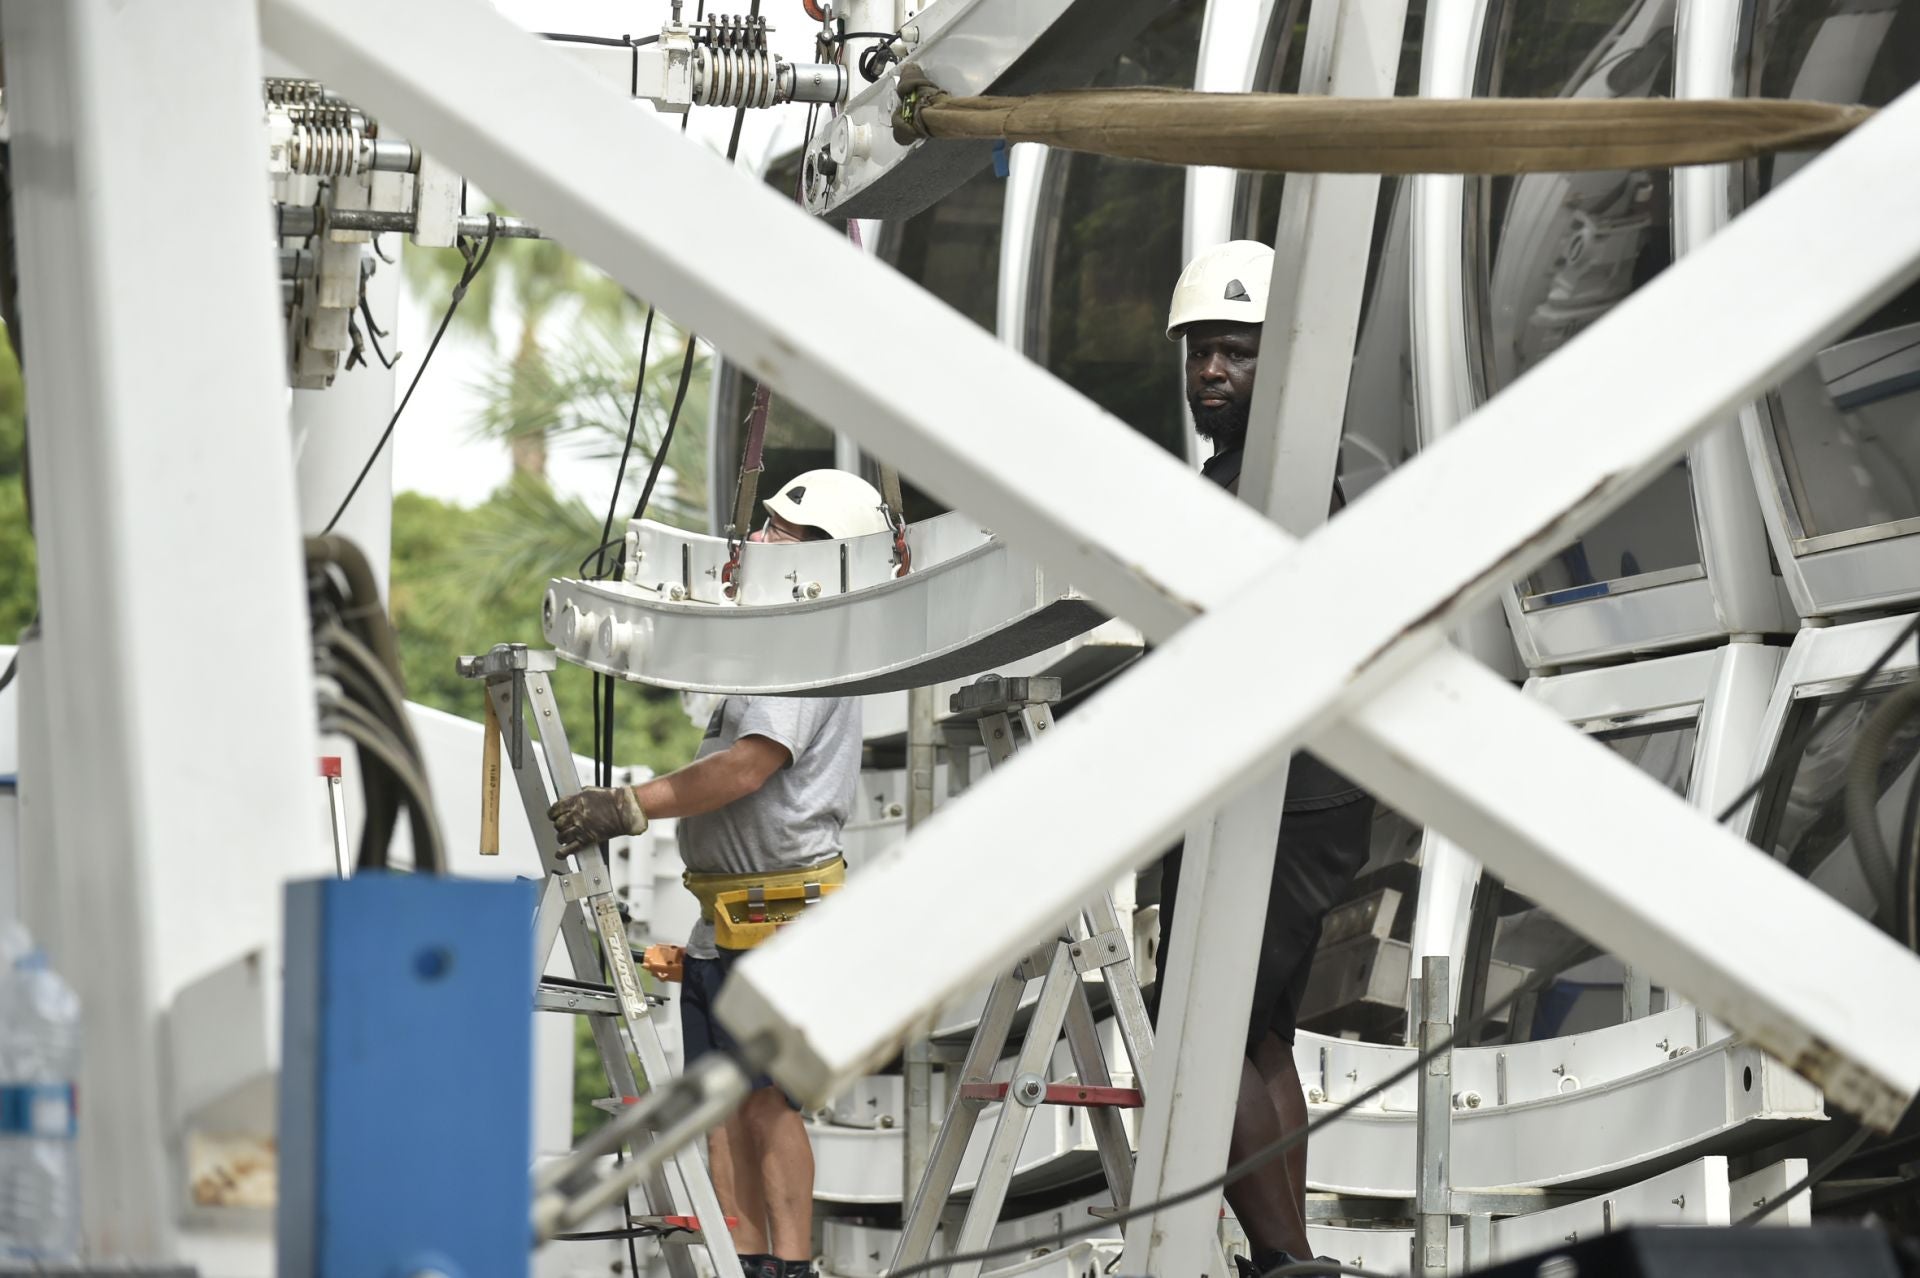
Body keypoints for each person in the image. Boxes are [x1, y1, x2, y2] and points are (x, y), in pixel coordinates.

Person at [548, 468, 892, 1278]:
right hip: (730, 917)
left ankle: (790, 1266)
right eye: (766, 524)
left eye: (782, 532)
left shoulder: (807, 640)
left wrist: (629, 806)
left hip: (778, 916)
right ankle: (745, 1262)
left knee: (766, 1101)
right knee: (725, 1104)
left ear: (827, 556)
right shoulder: (777, 645)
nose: (762, 541)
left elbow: (747, 770)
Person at [1159, 240, 1378, 1274]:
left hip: (1278, 792)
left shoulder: (1274, 481)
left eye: (1237, 353)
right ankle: (1290, 1256)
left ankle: (1286, 1260)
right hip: (1295, 786)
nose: (1212, 371)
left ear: (1281, 364)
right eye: (1201, 351)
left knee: (1204, 1017)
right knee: (1255, 1032)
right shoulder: (1258, 474)